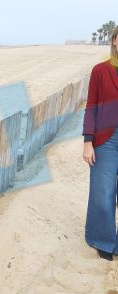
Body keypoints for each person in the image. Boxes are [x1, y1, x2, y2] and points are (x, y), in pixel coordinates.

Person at [82, 26, 118, 261]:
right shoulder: (100, 70)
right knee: (103, 191)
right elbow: (91, 106)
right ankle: (102, 239)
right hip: (106, 139)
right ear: (115, 40)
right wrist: (88, 142)